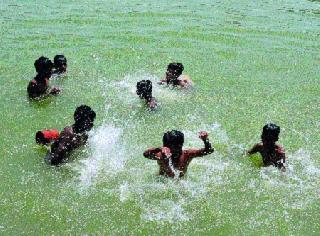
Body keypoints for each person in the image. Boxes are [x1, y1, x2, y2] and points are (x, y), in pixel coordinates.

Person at [143, 130, 214, 178]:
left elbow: (209, 151)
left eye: (178, 147)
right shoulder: (161, 155)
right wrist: (158, 149)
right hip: (162, 182)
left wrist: (205, 140)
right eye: (172, 148)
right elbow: (146, 154)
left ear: (182, 145)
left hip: (181, 183)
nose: (175, 150)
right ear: (165, 147)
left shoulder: (187, 154)